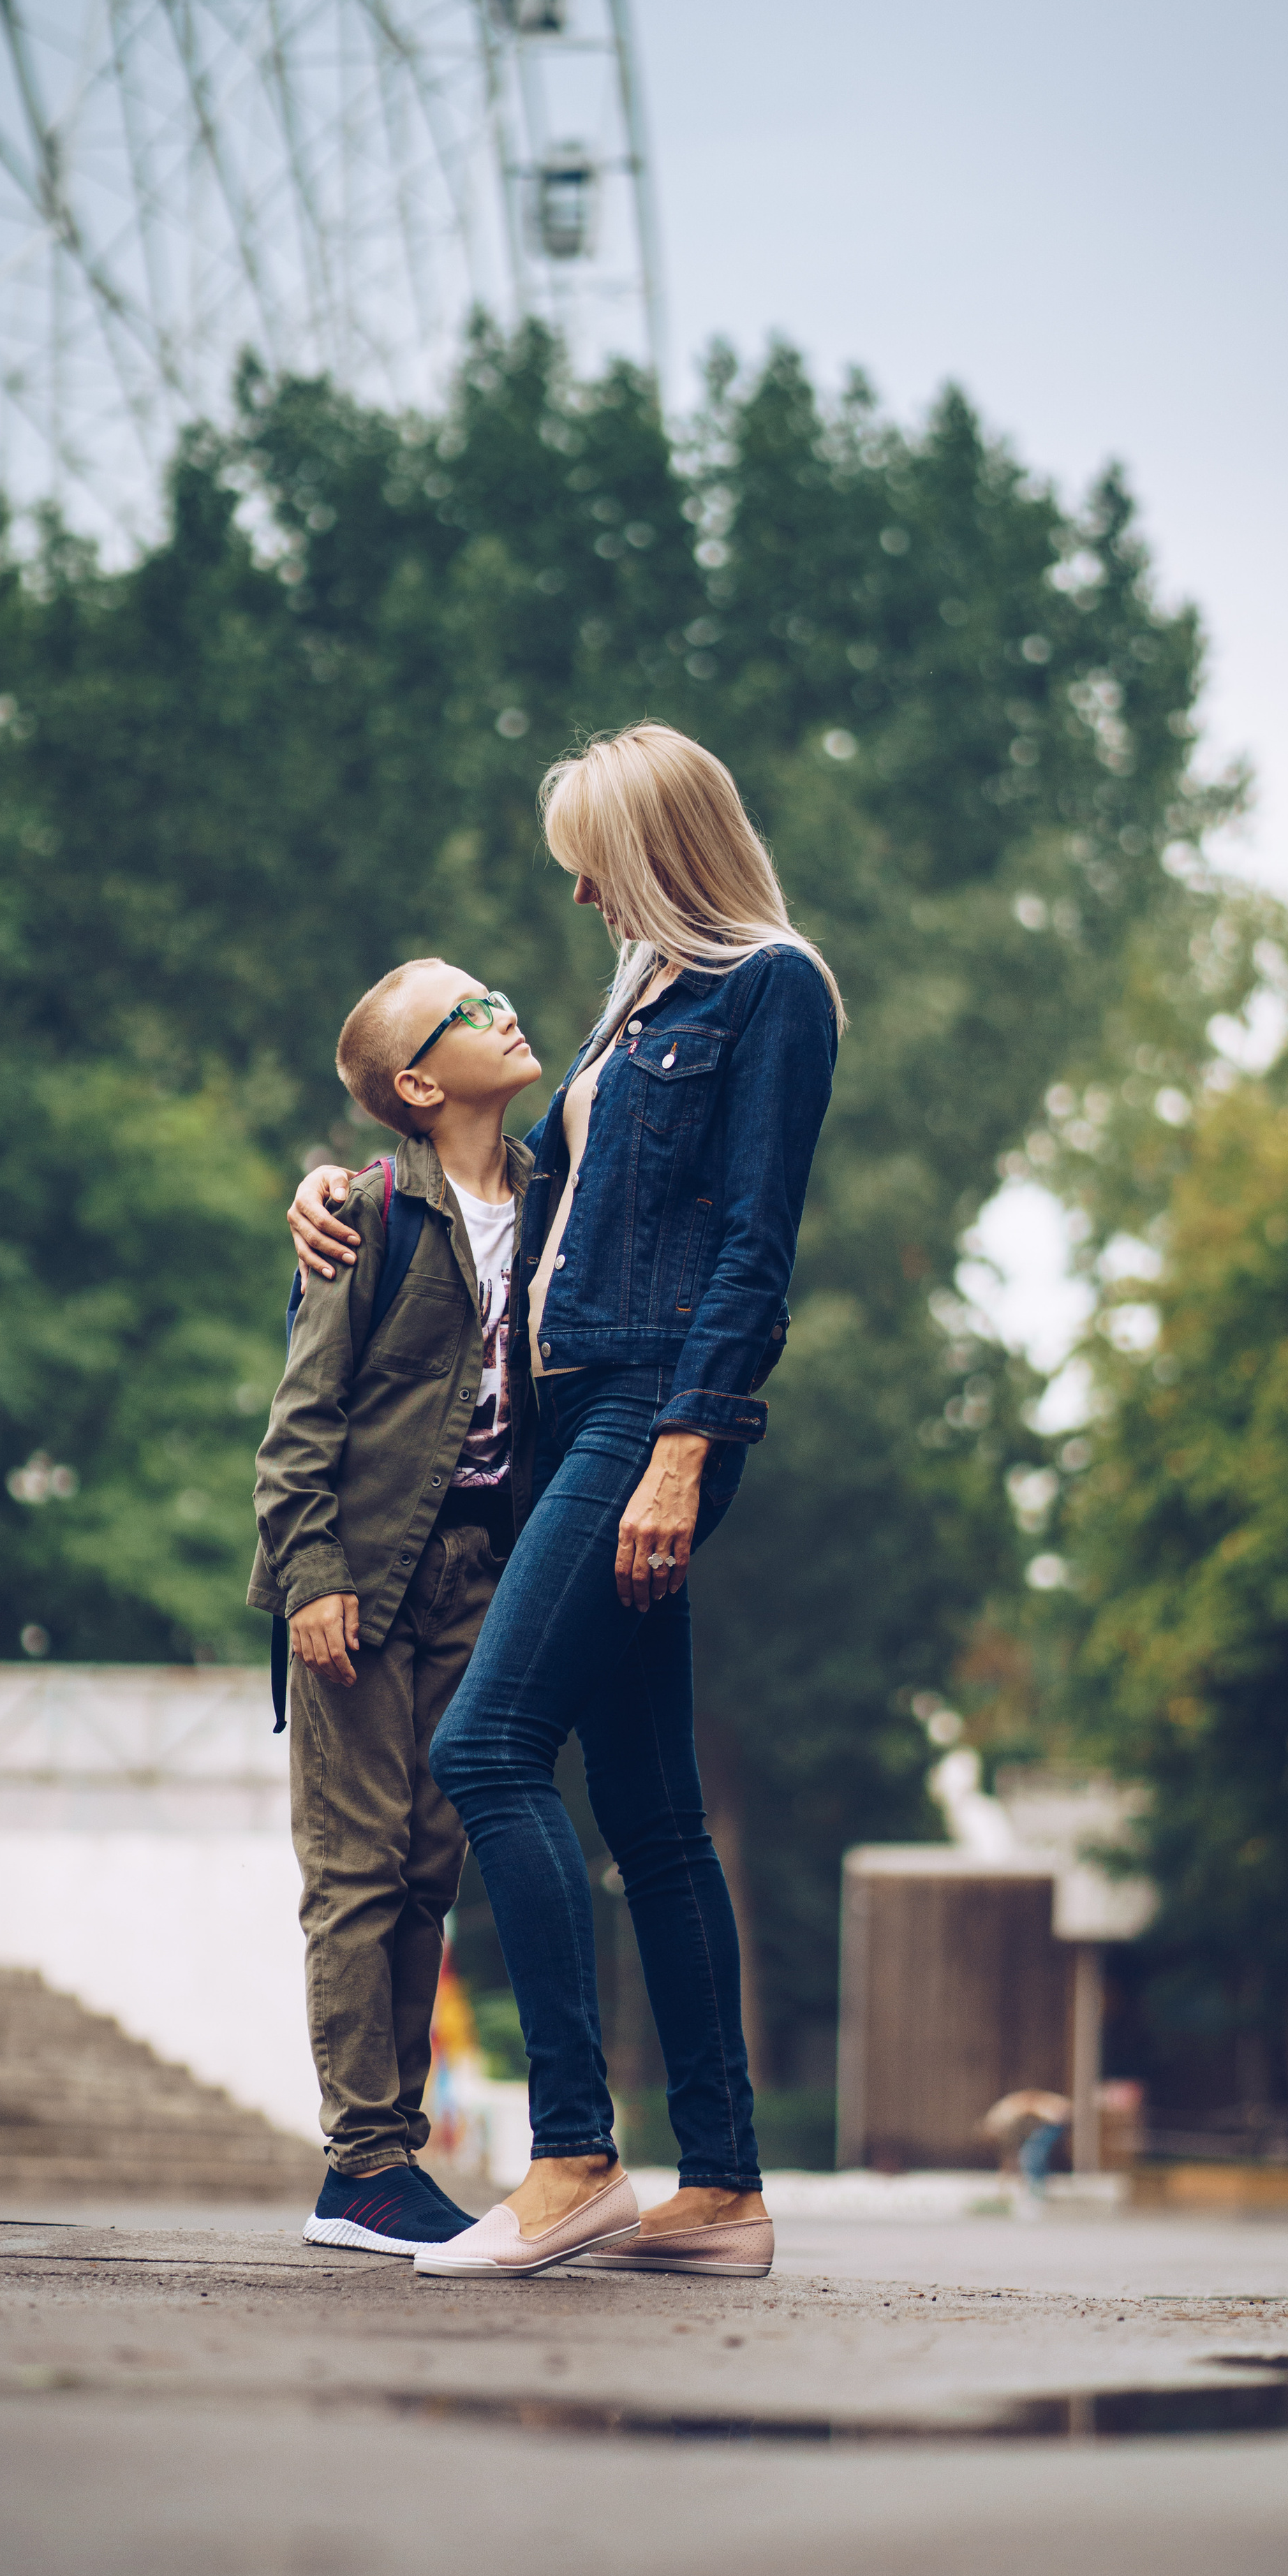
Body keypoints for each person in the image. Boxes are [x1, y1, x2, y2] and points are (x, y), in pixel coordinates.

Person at [288, 722, 843, 2281]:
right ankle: (722, 2188)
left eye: (590, 868)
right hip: (572, 1421)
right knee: (654, 1814)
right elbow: (502, 1189)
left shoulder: (768, 990)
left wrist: (683, 1444)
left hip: (642, 1413)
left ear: (653, 849)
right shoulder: (626, 1015)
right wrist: (337, 1184)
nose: (584, 900)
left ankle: (577, 2154)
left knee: (483, 1749)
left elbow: (752, 1243)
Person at [249, 958, 542, 2253]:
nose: (501, 1010)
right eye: (467, 1011)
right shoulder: (370, 1211)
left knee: (432, 1866)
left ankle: (392, 2160)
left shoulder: (555, 1198)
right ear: (420, 1084)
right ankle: (360, 2164)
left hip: (484, 1574)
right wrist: (312, 1578)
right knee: (355, 1873)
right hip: (365, 1584)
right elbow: (300, 1421)